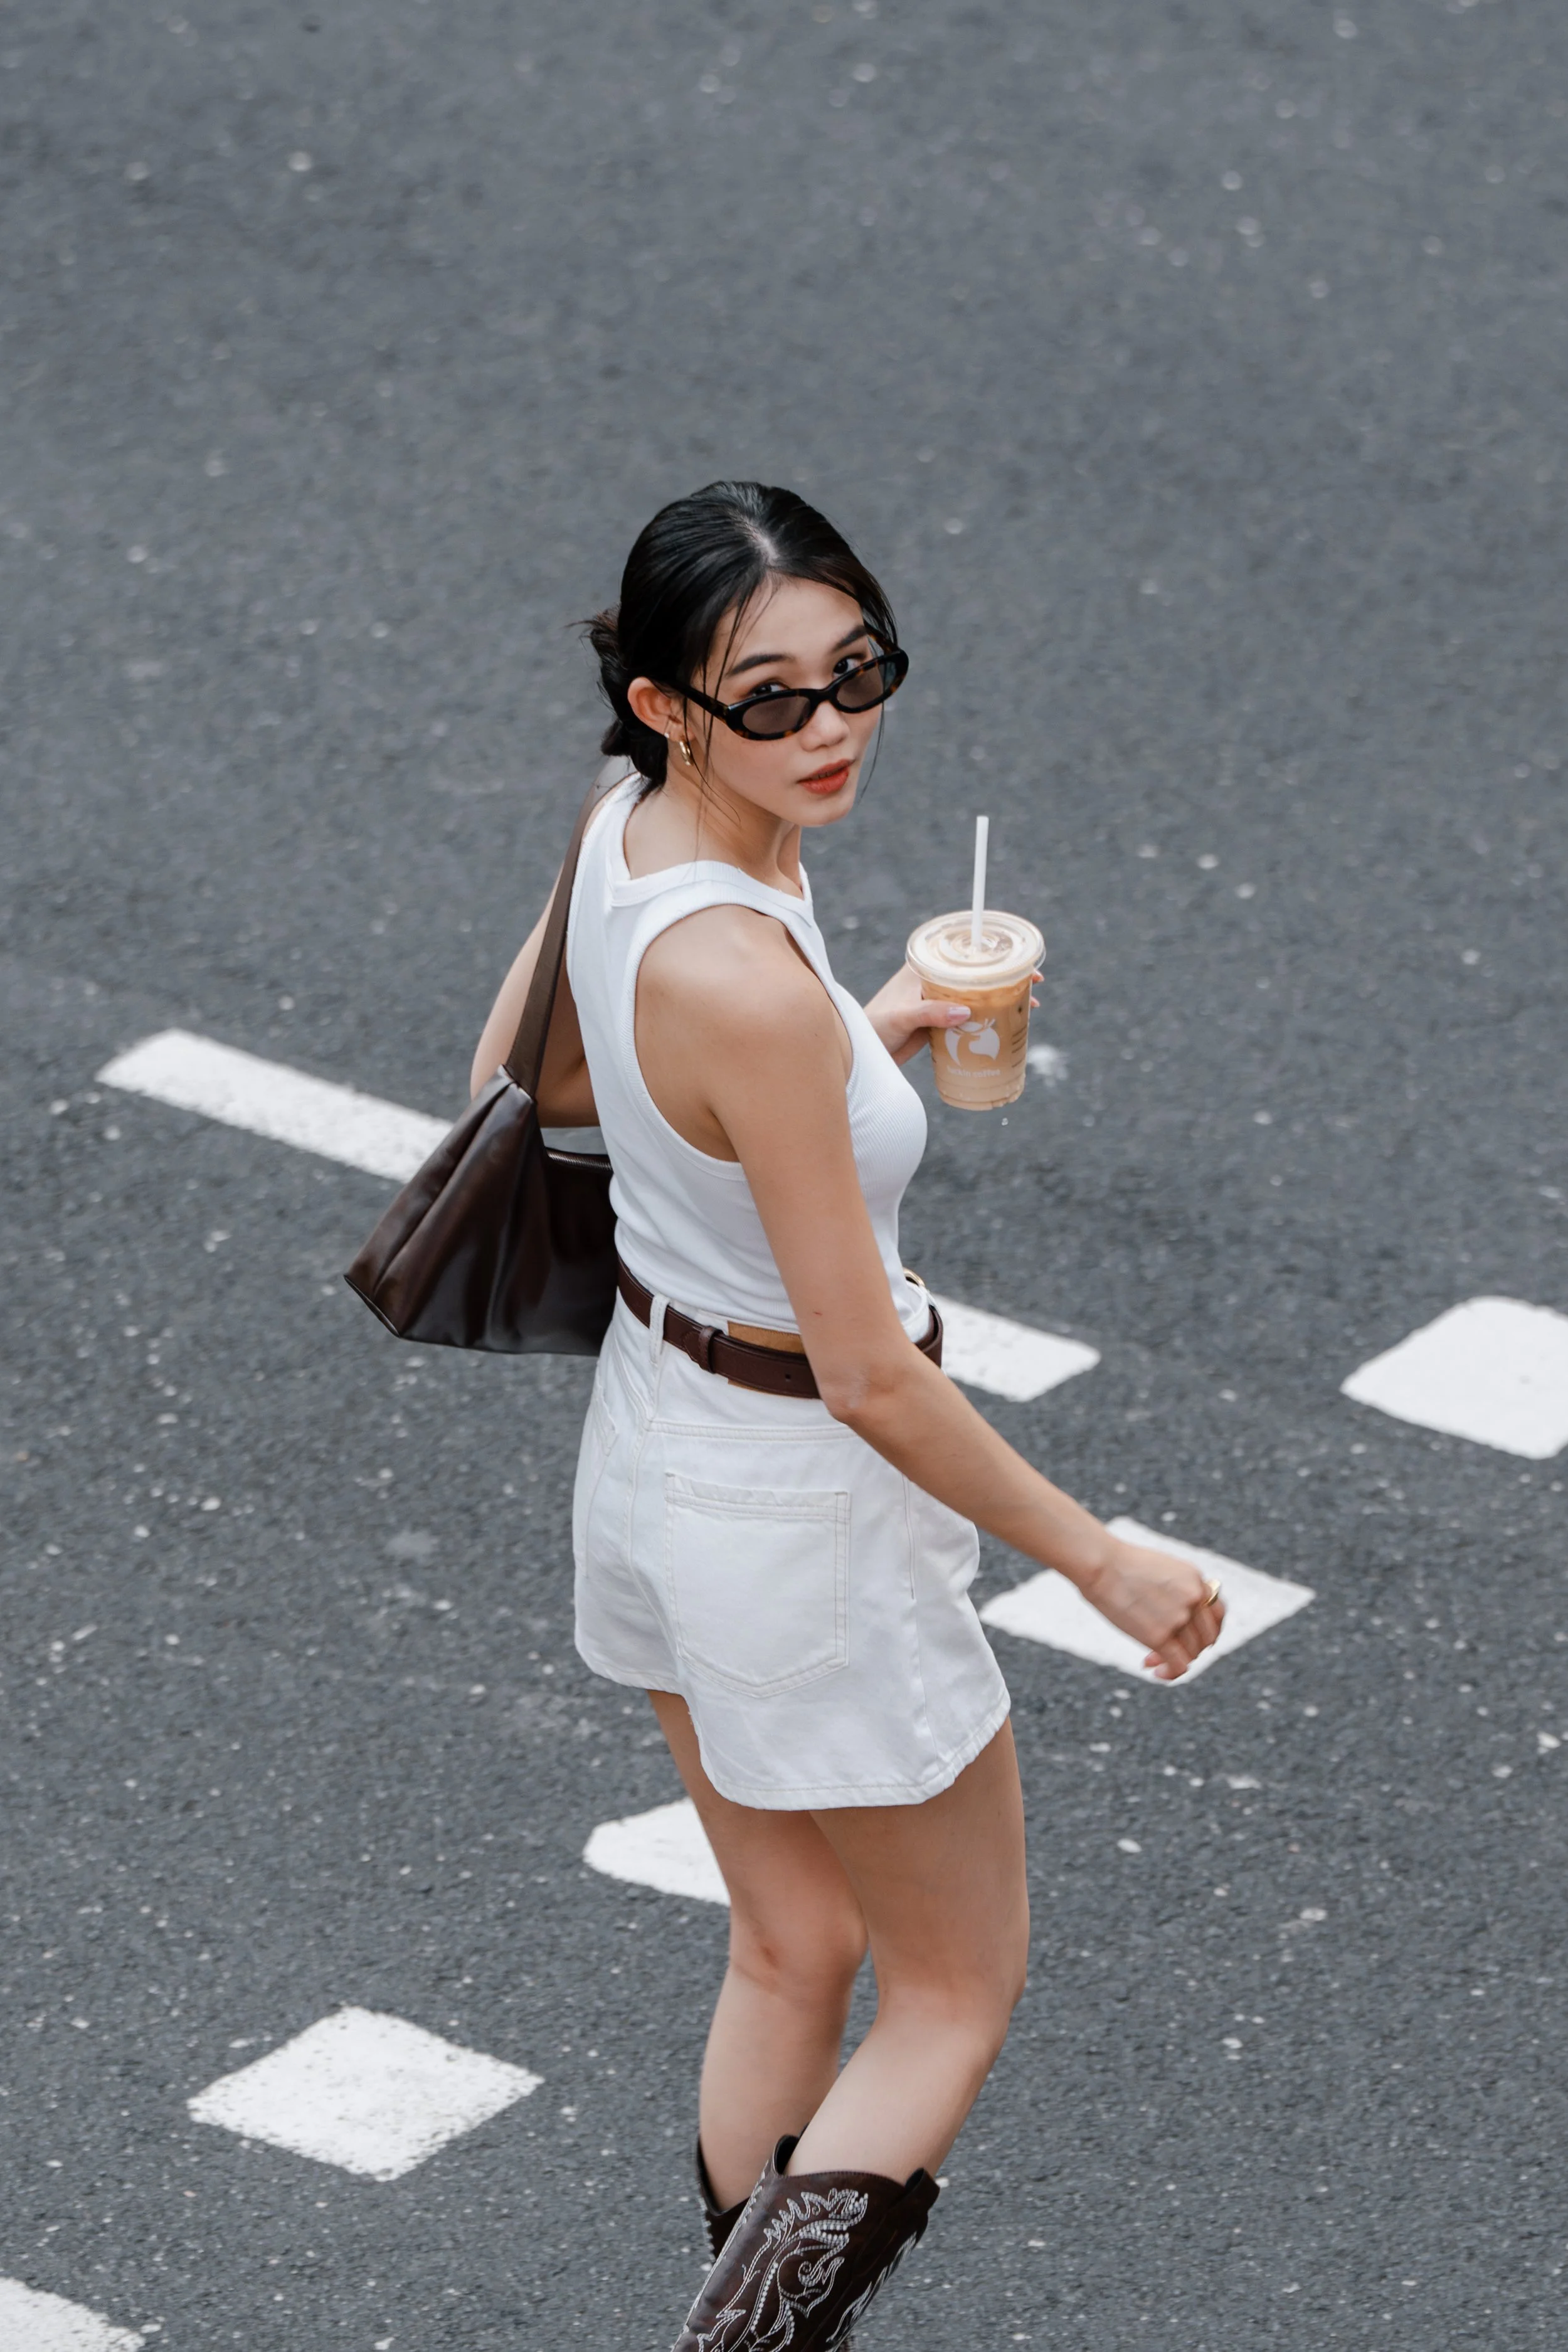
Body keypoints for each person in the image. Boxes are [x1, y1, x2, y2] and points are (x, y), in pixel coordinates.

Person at [472, 481, 1223, 2349]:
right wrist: (1099, 1561)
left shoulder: (632, 835)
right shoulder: (738, 973)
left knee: (792, 1944)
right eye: (770, 697)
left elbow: (518, 1075)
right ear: (664, 700)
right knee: (955, 1987)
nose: (829, 729)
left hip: (658, 1454)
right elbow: (870, 1374)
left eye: (856, 671)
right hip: (800, 1509)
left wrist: (840, 1046)